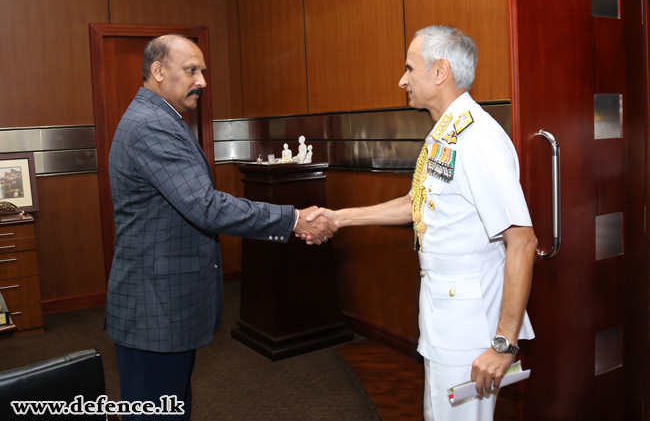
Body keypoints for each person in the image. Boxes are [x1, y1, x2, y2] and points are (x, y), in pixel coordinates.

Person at [303, 25, 537, 421]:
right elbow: (420, 204)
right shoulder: (446, 131)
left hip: (470, 325)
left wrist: (503, 345)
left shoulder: (477, 138)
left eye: (410, 68)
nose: (402, 79)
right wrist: (340, 218)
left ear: (440, 71)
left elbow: (523, 240)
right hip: (444, 311)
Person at [107, 34, 337, 420]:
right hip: (154, 311)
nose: (202, 81)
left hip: (161, 308)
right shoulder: (152, 125)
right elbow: (206, 207)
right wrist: (293, 218)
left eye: (203, 71)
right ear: (159, 71)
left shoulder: (160, 117)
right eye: (192, 70)